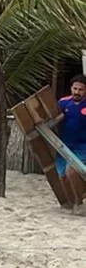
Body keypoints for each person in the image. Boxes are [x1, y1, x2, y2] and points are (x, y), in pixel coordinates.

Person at [57, 75, 86, 205]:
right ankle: (72, 202)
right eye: (75, 88)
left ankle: (79, 203)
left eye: (81, 90)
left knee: (72, 172)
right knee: (62, 176)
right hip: (64, 146)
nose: (77, 92)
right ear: (71, 88)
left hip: (82, 147)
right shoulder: (63, 102)